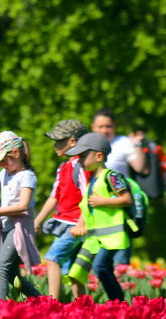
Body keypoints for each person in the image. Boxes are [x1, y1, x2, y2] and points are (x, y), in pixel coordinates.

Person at [65, 132, 132, 302]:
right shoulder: (92, 181)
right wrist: (80, 225)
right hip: (94, 238)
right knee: (78, 271)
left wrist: (103, 201)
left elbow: (127, 199)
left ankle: (118, 304)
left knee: (100, 267)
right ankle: (90, 306)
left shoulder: (111, 177)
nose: (79, 160)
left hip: (111, 237)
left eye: (82, 156)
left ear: (99, 155)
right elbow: (86, 209)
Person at [0, 131, 41, 300]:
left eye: (4, 160)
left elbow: (23, 205)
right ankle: (42, 302)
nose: (1, 165)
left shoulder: (27, 176)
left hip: (19, 227)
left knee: (1, 268)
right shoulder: (5, 173)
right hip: (7, 226)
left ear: (16, 153)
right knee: (14, 276)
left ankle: (0, 308)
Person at [34, 119, 90, 300]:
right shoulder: (63, 167)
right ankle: (81, 306)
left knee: (52, 259)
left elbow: (88, 195)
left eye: (59, 141)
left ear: (72, 142)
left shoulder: (80, 166)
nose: (55, 145)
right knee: (74, 271)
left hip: (75, 225)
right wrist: (37, 221)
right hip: (65, 223)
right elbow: (54, 197)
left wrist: (82, 223)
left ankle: (52, 303)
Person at [91, 108, 147, 265]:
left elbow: (140, 168)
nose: (104, 130)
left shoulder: (123, 143)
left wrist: (136, 145)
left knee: (119, 259)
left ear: (114, 127)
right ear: (93, 127)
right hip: (94, 207)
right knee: (95, 257)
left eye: (108, 126)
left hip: (119, 206)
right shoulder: (88, 145)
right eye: (100, 126)